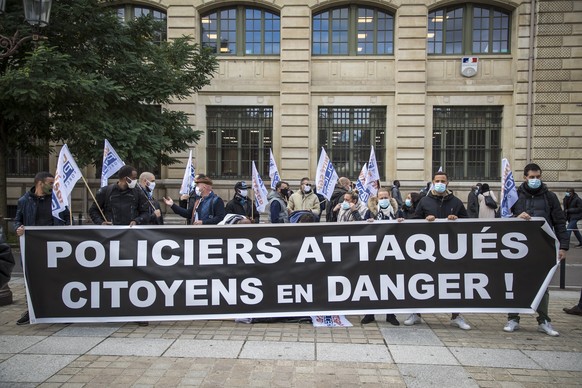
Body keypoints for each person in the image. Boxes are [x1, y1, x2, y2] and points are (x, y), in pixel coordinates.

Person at [503, 163, 568, 337]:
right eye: (532, 177)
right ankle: (513, 318)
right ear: (525, 177)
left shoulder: (550, 197)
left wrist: (563, 246)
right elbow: (503, 219)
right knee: (516, 283)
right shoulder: (514, 196)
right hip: (517, 247)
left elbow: (560, 222)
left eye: (538, 177)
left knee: (543, 284)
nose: (535, 180)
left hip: (542, 246)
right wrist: (516, 217)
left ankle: (544, 320)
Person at [404, 171, 471, 330]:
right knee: (422, 280)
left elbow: (468, 222)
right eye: (437, 180)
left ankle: (456, 315)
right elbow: (414, 220)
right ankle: (416, 313)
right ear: (433, 182)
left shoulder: (456, 201)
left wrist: (457, 219)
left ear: (447, 183)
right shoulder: (425, 201)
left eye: (443, 180)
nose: (440, 183)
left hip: (449, 248)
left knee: (452, 282)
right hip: (427, 249)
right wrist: (424, 220)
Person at [13, 172, 71, 325]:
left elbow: (66, 218)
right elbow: (17, 221)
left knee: (56, 277)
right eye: (51, 183)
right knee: (31, 279)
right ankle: (32, 310)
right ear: (40, 183)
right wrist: (18, 229)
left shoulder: (56, 201)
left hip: (54, 247)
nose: (53, 186)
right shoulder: (24, 201)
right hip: (32, 248)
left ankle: (59, 310)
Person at [361, 187, 400, 326]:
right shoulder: (369, 212)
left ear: (390, 198)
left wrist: (401, 223)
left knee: (390, 283)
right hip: (374, 252)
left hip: (391, 253)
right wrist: (367, 224)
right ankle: (369, 314)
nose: (383, 200)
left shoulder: (396, 212)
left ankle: (390, 314)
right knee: (372, 283)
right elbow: (360, 229)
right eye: (381, 197)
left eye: (385, 197)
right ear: (376, 199)